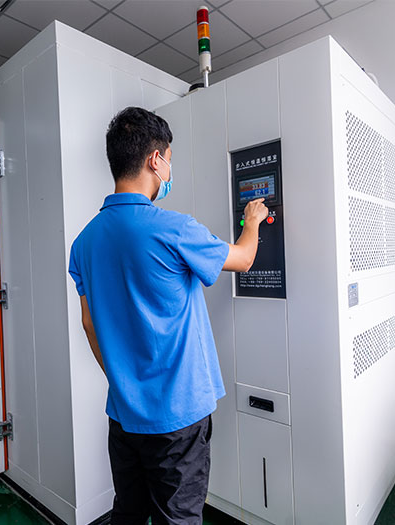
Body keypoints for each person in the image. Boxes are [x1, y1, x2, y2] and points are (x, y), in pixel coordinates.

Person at [68, 107, 268, 524]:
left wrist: (125, 382)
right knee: (177, 517)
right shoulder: (174, 228)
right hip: (178, 417)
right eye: (170, 160)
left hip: (123, 412)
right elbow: (244, 259)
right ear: (155, 160)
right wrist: (252, 220)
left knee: (128, 511)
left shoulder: (84, 242)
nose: (170, 170)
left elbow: (89, 324)